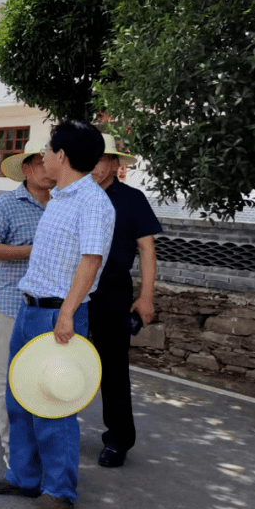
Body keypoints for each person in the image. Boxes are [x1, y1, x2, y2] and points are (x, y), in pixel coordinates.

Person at [0, 119, 114, 509]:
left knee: (54, 403)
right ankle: (23, 476)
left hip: (58, 312)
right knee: (20, 395)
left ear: (63, 156)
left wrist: (68, 314)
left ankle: (58, 489)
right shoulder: (61, 198)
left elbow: (91, 262)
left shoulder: (92, 202)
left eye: (48, 151)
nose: (43, 157)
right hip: (30, 306)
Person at [0, 136, 53, 467]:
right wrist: (31, 250)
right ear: (26, 169)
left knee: (42, 380)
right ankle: (14, 453)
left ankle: (37, 450)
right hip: (11, 302)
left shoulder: (63, 204)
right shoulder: (6, 204)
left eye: (48, 161)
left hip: (50, 306)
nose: (45, 169)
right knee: (7, 380)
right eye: (39, 163)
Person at [89, 133, 162, 468]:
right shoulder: (77, 195)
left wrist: (146, 296)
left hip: (114, 293)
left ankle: (118, 439)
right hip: (75, 290)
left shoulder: (133, 199)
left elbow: (147, 248)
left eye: (100, 158)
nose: (94, 164)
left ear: (114, 163)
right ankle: (57, 431)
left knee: (113, 369)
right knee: (63, 360)